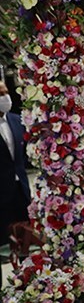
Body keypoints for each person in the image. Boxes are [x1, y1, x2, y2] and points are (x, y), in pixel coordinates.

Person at [0, 81, 31, 254]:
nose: (5, 97)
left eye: (6, 92)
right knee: (5, 245)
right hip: (2, 195)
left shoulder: (17, 120)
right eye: (0, 94)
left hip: (21, 189)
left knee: (25, 238)